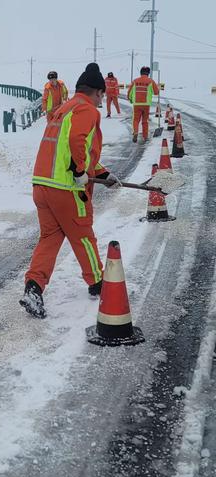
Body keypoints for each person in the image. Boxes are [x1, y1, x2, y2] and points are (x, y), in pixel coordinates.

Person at [20, 63, 121, 319]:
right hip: (65, 188)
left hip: (42, 184)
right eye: (102, 96)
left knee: (50, 238)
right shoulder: (87, 109)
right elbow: (78, 142)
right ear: (97, 92)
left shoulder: (63, 110)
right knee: (83, 235)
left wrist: (102, 173)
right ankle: (98, 282)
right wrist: (78, 173)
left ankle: (34, 287)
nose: (102, 101)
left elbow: (75, 151)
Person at [127, 66, 159, 142]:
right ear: (148, 73)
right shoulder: (151, 81)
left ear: (140, 72)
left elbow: (129, 92)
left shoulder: (135, 81)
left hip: (137, 104)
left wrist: (131, 99)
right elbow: (156, 92)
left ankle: (135, 133)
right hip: (146, 104)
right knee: (145, 121)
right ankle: (145, 137)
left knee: (136, 120)